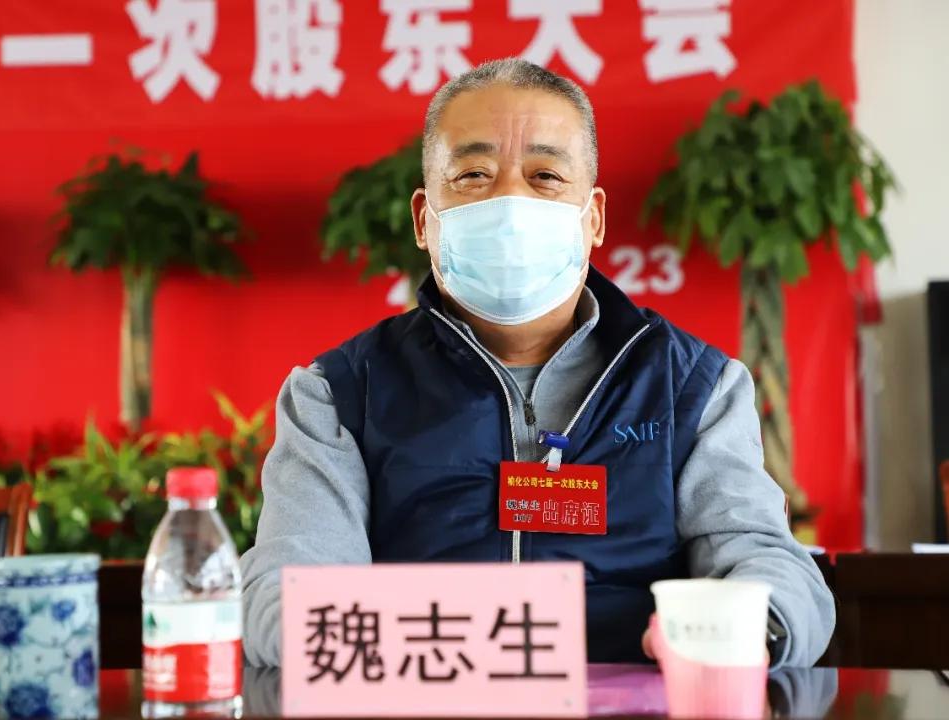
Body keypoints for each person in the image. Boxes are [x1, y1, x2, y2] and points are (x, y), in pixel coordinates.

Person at [241, 58, 835, 668]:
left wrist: (743, 634)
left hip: (639, 699)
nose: (510, 203)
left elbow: (766, 562)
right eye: (473, 175)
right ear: (424, 219)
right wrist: (442, 655)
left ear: (593, 218)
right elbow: (285, 592)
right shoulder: (339, 396)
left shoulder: (694, 389)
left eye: (545, 176)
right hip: (419, 694)